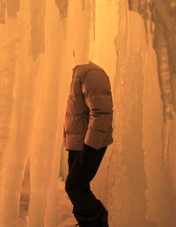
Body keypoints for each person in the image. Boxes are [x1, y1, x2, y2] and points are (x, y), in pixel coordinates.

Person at [63, 62, 113, 227]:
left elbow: (102, 112)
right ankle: (86, 223)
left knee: (75, 187)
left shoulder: (91, 73)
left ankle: (99, 221)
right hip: (77, 143)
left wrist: (90, 146)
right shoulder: (78, 74)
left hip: (89, 143)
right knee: (77, 188)